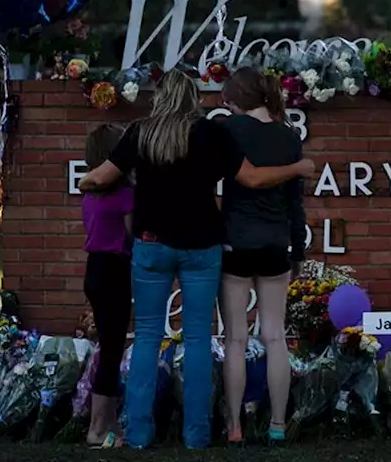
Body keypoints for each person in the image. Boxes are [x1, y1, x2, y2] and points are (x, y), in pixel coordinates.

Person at [78, 68, 315, 450]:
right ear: (192, 98)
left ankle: (138, 434)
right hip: (202, 247)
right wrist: (298, 168)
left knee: (146, 338)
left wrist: (88, 183)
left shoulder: (141, 132)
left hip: (151, 245)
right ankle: (197, 435)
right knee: (199, 338)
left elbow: (101, 177)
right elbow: (252, 179)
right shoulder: (211, 133)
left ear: (159, 97)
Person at [216, 67, 306, 445]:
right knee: (274, 337)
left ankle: (235, 426)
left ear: (237, 97)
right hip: (275, 243)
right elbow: (295, 204)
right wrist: (297, 249)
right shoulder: (289, 137)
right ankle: (279, 425)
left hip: (236, 242)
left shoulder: (230, 129)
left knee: (235, 338)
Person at [79, 123, 135, 449]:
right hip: (115, 269)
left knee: (108, 347)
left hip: (94, 270)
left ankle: (107, 423)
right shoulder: (126, 195)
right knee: (113, 350)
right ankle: (98, 428)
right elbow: (132, 235)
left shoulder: (90, 195)